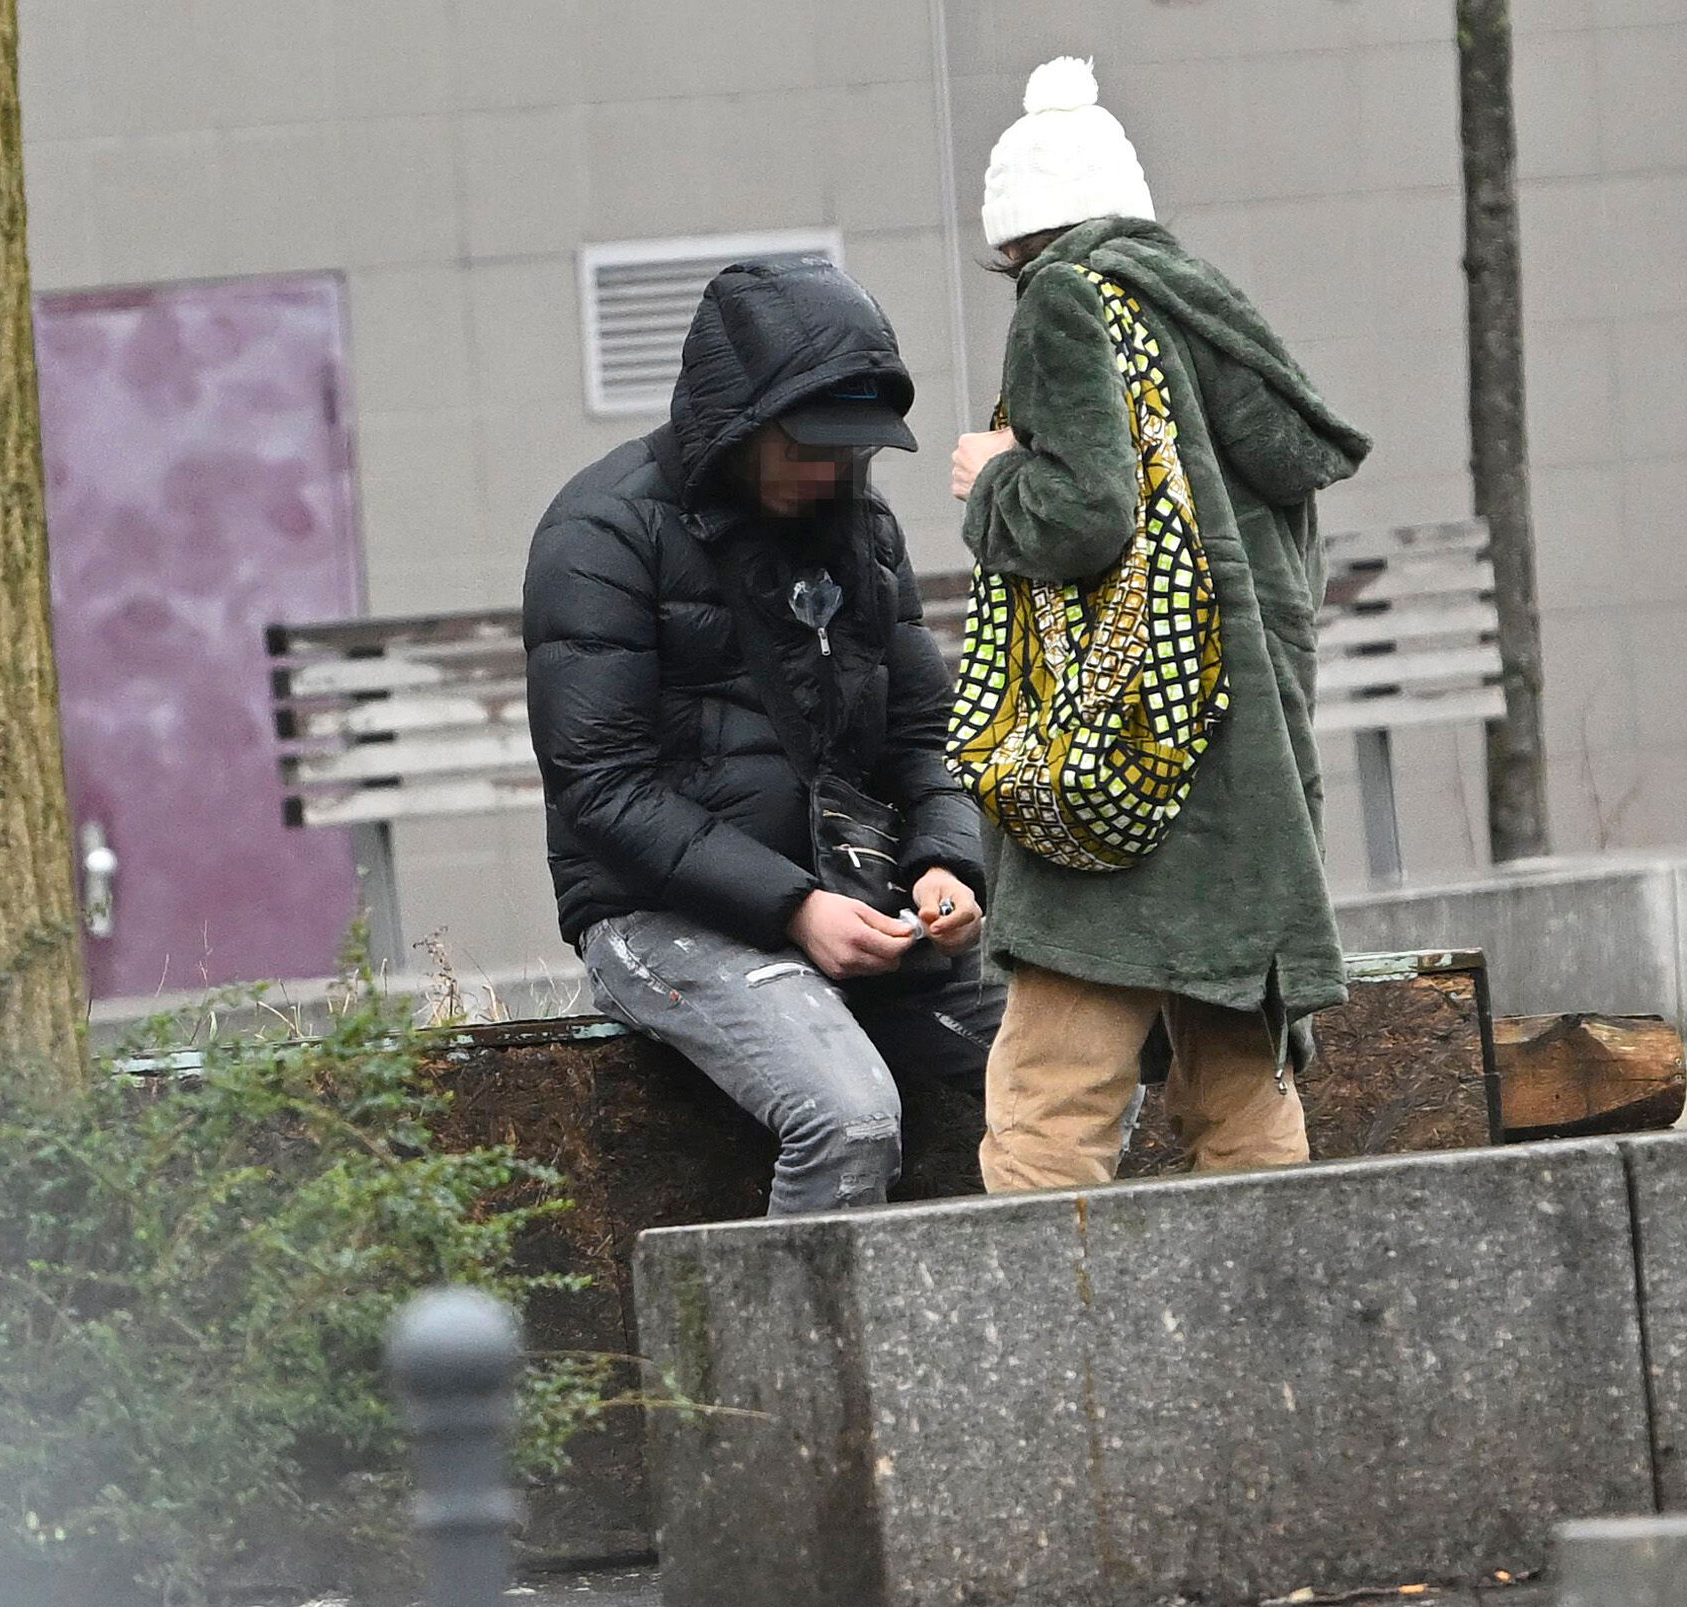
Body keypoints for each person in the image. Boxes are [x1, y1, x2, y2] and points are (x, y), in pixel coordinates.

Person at [951, 58, 1373, 1192]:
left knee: (1052, 1093)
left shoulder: (1066, 300)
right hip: (1246, 783)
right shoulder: (1213, 322)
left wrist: (994, 480)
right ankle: (1279, 1301)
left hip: (1127, 769)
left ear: (1018, 236)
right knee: (1240, 1096)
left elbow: (1085, 515)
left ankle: (1043, 1312)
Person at [526, 254, 997, 1216]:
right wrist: (792, 909)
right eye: (807, 445)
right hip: (658, 914)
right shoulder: (601, 532)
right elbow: (602, 786)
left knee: (1072, 1078)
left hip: (855, 903)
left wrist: (947, 866)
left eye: (850, 450)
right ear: (736, 420)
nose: (829, 471)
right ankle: (792, 1327)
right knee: (849, 1120)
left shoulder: (862, 530)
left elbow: (925, 738)